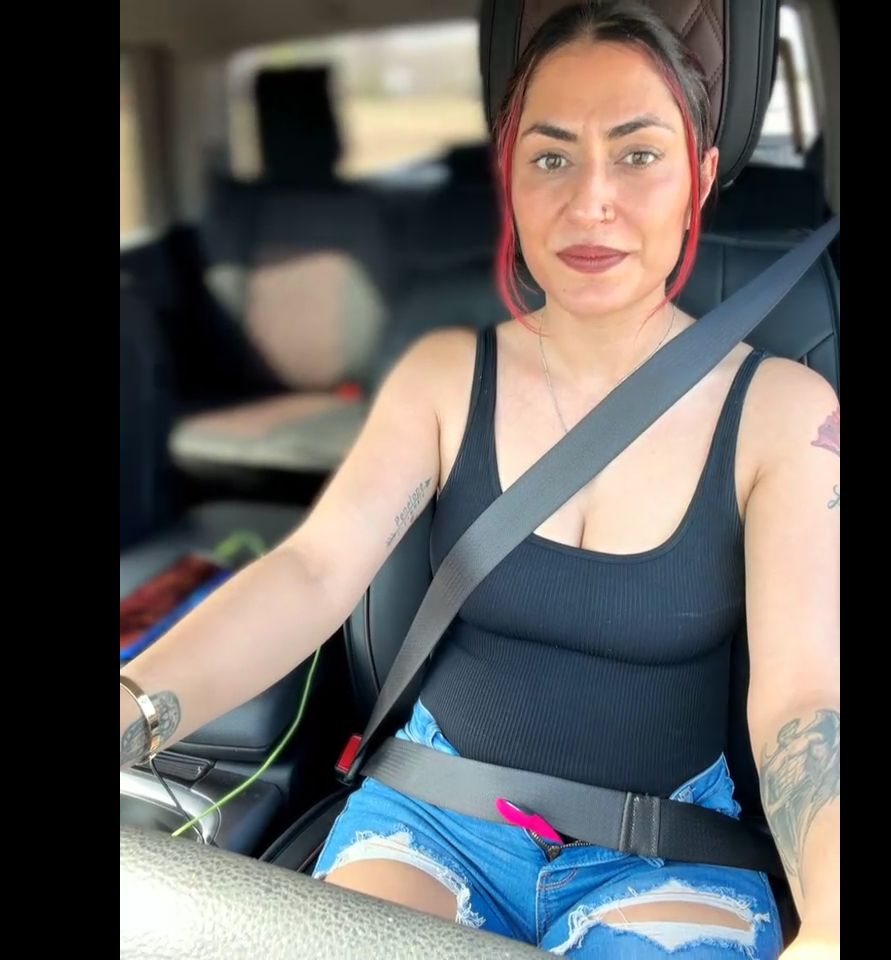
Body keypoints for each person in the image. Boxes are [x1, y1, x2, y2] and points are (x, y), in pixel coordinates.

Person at [120, 2, 839, 956]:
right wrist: (136, 707)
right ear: (510, 176)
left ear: (699, 177)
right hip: (431, 818)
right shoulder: (445, 377)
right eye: (551, 157)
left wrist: (832, 913)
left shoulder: (784, 412)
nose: (591, 201)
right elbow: (313, 572)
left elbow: (803, 702)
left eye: (638, 154)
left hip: (667, 850)